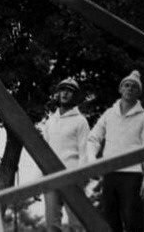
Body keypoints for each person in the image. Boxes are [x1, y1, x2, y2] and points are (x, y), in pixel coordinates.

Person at [87, 70, 144, 232]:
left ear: (138, 92)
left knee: (133, 220)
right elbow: (93, 138)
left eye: (134, 87)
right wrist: (92, 161)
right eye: (127, 85)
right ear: (120, 89)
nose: (130, 88)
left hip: (132, 175)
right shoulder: (109, 114)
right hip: (110, 173)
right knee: (111, 220)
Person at [42, 77, 89, 232]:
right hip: (51, 177)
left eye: (70, 91)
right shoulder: (50, 122)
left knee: (76, 224)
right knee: (52, 225)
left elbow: (84, 151)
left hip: (72, 175)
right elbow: (43, 151)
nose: (65, 94)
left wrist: (82, 177)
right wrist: (40, 179)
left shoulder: (81, 121)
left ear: (75, 96)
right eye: (62, 90)